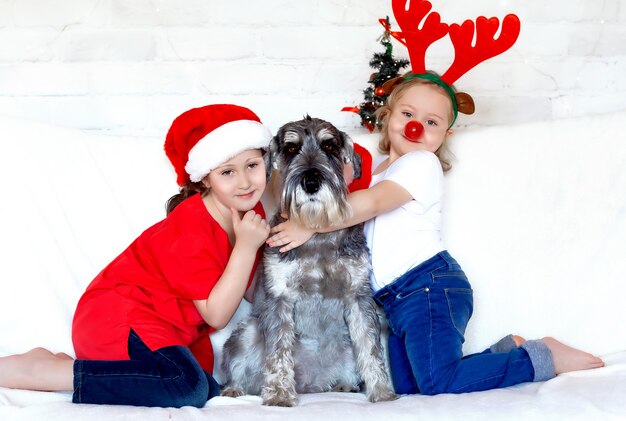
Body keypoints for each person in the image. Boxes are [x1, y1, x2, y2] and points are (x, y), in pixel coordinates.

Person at [266, 73, 605, 395]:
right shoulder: (383, 169)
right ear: (387, 116)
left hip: (428, 286)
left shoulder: (421, 165)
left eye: (432, 122)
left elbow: (369, 204)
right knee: (411, 387)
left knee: (437, 382)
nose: (417, 126)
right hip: (397, 300)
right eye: (408, 113)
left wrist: (306, 224)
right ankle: (505, 350)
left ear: (446, 135)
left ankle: (541, 357)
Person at [0, 104, 273, 407]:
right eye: (227, 172)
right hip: (119, 316)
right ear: (205, 179)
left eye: (252, 165)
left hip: (168, 330)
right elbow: (217, 315)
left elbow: (250, 287)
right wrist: (246, 247)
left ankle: (79, 367)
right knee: (185, 388)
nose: (245, 182)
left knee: (207, 387)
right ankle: (46, 372)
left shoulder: (250, 211)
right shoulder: (193, 225)